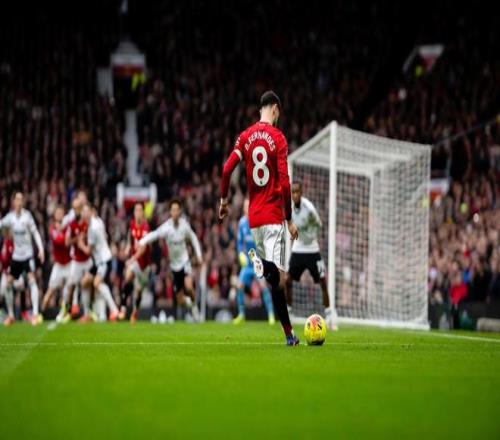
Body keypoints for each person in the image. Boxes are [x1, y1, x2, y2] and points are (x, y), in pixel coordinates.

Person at [219, 90, 300, 346]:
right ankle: (263, 265)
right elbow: (285, 183)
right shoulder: (278, 137)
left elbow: (226, 169)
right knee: (280, 278)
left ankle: (289, 335)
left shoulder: (245, 137)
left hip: (254, 219)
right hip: (274, 216)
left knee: (274, 283)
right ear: (275, 108)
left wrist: (223, 201)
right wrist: (289, 218)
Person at [136, 199, 202, 321]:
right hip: (174, 266)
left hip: (185, 262)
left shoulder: (184, 225)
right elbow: (154, 234)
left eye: (177, 210)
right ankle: (190, 304)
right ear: (170, 212)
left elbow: (193, 238)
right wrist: (141, 242)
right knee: (180, 300)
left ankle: (195, 308)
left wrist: (199, 255)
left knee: (189, 287)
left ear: (180, 211)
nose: (175, 212)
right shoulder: (166, 227)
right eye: (173, 210)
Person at [286, 182, 333, 326]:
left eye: (297, 192)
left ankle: (329, 314)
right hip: (298, 249)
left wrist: (312, 235)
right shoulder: (289, 208)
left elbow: (319, 224)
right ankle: (289, 312)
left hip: (313, 249)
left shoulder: (309, 208)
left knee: (323, 281)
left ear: (301, 193)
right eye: (293, 192)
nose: (295, 195)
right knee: (288, 280)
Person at [0, 192, 45, 326]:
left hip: (27, 255)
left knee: (32, 280)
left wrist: (41, 249)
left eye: (21, 199)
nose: (19, 202)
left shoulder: (27, 216)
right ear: (13, 202)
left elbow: (35, 232)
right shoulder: (10, 217)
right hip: (16, 256)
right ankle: (11, 315)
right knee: (7, 284)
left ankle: (35, 314)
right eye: (17, 199)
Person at [233, 199, 275, 325]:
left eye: (249, 206)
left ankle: (271, 315)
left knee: (263, 287)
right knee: (239, 286)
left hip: (257, 263)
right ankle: (241, 314)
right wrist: (240, 253)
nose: (247, 209)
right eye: (245, 207)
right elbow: (240, 242)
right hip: (247, 263)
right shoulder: (242, 223)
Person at [77, 204, 119, 322]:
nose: (84, 214)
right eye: (83, 211)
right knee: (84, 282)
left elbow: (88, 251)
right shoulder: (98, 221)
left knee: (96, 283)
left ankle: (114, 310)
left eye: (86, 211)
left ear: (91, 212)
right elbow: (105, 235)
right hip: (98, 261)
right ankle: (87, 314)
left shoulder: (92, 229)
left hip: (103, 260)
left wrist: (80, 244)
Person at [120, 202, 152, 323]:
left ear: (143, 213)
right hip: (136, 262)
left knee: (138, 291)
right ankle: (123, 308)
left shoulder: (146, 228)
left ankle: (135, 312)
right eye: (136, 210)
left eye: (140, 210)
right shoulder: (132, 224)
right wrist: (128, 247)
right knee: (128, 277)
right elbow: (130, 235)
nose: (137, 213)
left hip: (145, 265)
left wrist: (131, 259)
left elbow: (143, 249)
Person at [41, 205, 72, 321]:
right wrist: (63, 233)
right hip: (58, 265)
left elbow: (68, 242)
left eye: (61, 213)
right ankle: (40, 313)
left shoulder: (68, 227)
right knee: (50, 291)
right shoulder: (52, 228)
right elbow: (61, 241)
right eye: (57, 213)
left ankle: (64, 314)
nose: (59, 215)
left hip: (69, 264)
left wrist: (63, 232)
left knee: (67, 291)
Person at [64, 197, 92, 321]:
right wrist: (77, 239)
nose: (76, 211)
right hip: (76, 261)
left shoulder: (87, 223)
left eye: (78, 208)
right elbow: (67, 242)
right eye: (74, 208)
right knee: (71, 286)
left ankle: (86, 313)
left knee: (86, 286)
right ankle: (68, 310)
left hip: (87, 260)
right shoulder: (71, 225)